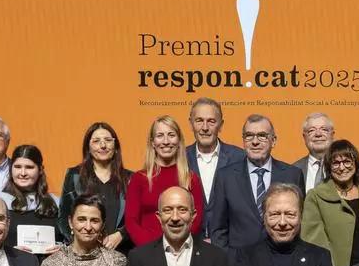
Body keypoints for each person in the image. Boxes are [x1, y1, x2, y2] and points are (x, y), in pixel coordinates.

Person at [208, 114, 304, 251]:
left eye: (262, 136)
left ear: (273, 141)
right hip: (239, 261)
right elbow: (218, 229)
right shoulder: (225, 176)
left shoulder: (293, 174)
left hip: (283, 257)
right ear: (243, 141)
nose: (255, 142)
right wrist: (228, 260)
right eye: (249, 136)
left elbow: (300, 224)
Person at [126, 116, 204, 246]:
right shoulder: (139, 179)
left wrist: (177, 246)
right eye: (160, 136)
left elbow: (196, 221)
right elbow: (131, 221)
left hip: (182, 249)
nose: (166, 141)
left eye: (171, 135)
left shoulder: (191, 179)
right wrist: (152, 248)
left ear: (179, 141)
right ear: (152, 142)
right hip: (147, 249)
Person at [301, 139, 359, 266]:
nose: (342, 168)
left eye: (347, 161)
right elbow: (315, 243)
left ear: (356, 163)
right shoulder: (316, 196)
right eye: (336, 163)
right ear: (328, 167)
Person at [59, 122, 133, 251]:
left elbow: (139, 217)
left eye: (108, 140)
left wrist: (122, 234)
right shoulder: (74, 176)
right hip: (83, 254)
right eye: (96, 141)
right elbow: (63, 218)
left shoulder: (131, 178)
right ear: (88, 147)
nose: (103, 145)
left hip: (122, 252)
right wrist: (80, 243)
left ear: (115, 146)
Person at [185, 97, 245, 239]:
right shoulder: (179, 158)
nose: (205, 127)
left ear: (221, 125)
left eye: (211, 121)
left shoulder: (240, 158)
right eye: (199, 120)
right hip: (188, 244)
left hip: (228, 245)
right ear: (191, 124)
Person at [0, 144, 62, 259]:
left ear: (40, 170)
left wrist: (61, 247)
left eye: (29, 167)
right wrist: (8, 251)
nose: (23, 173)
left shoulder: (56, 203)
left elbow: (69, 239)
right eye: (17, 167)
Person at [295, 112, 334, 192]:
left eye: (324, 129)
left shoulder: (347, 167)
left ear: (332, 135)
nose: (318, 134)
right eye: (311, 130)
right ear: (304, 137)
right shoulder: (293, 170)